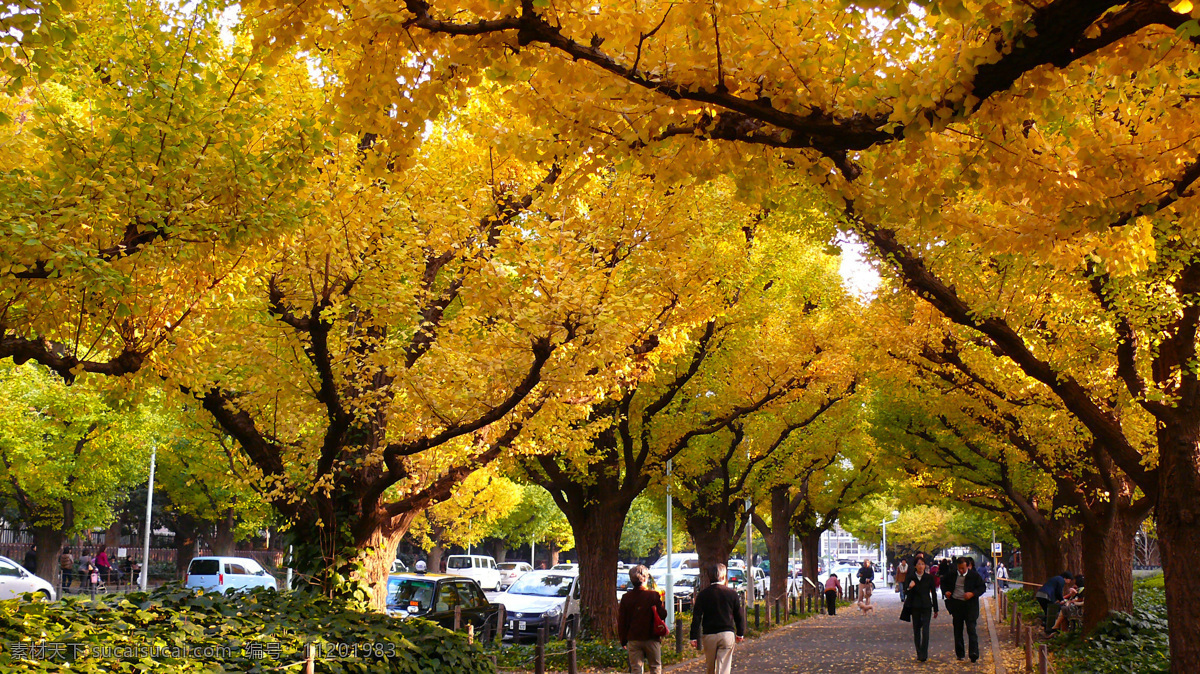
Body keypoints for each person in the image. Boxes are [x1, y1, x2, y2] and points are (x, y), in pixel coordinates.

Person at [689, 564, 744, 674]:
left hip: (709, 635)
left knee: (711, 667)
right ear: (724, 577)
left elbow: (697, 616)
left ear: (709, 577)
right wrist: (740, 633)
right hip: (727, 634)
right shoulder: (732, 593)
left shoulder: (703, 595)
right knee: (723, 667)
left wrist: (693, 636)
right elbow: (739, 615)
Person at [618, 565, 667, 674]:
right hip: (651, 637)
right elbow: (663, 614)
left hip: (633, 638)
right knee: (655, 667)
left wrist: (623, 640)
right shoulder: (653, 595)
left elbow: (622, 621)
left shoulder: (626, 597)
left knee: (636, 669)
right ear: (645, 578)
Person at [944, 557, 987, 663]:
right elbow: (943, 583)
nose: (961, 571)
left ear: (968, 566)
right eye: (959, 568)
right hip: (957, 604)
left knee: (971, 629)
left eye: (963, 568)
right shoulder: (952, 575)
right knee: (957, 630)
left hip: (970, 605)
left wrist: (972, 594)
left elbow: (982, 588)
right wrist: (946, 592)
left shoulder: (974, 575)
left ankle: (974, 653)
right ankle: (960, 653)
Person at [903, 557, 940, 662]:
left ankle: (924, 653)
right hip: (915, 606)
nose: (921, 566)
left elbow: (933, 593)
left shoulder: (929, 578)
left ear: (925, 566)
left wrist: (936, 608)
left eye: (922, 564)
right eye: (919, 564)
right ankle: (919, 652)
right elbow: (905, 591)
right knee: (916, 630)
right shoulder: (911, 577)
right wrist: (910, 587)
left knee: (926, 630)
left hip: (926, 606)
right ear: (915, 566)